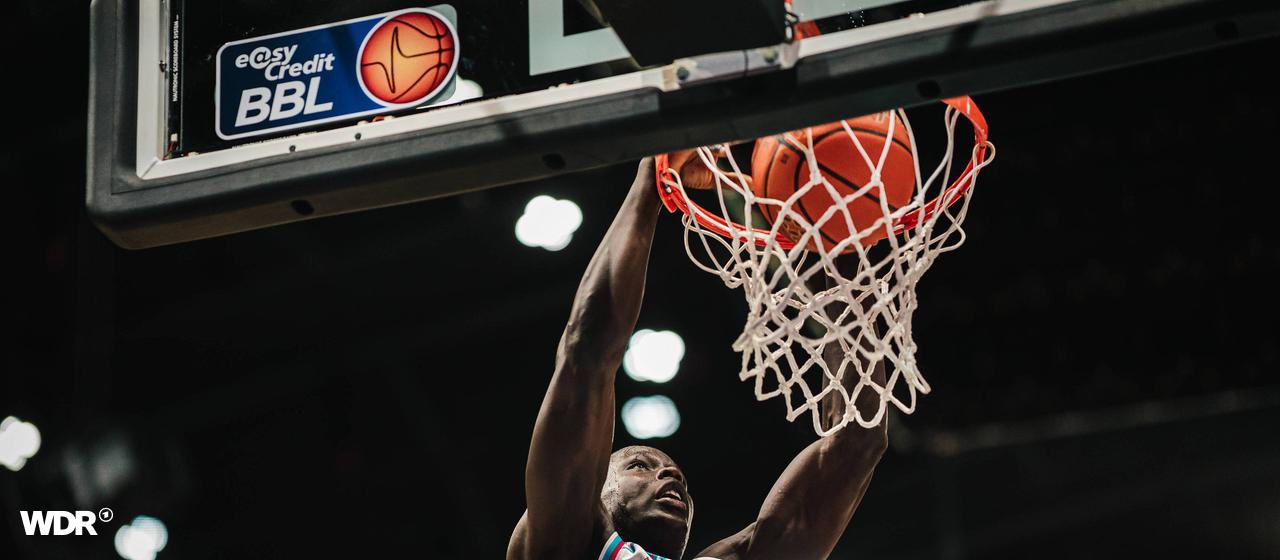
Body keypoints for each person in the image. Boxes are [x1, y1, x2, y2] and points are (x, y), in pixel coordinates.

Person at [506, 157, 887, 560]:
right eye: (639, 466)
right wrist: (652, 181)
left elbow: (859, 440)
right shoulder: (562, 543)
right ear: (596, 489)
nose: (670, 475)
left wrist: (841, 242)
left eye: (678, 479)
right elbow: (587, 351)